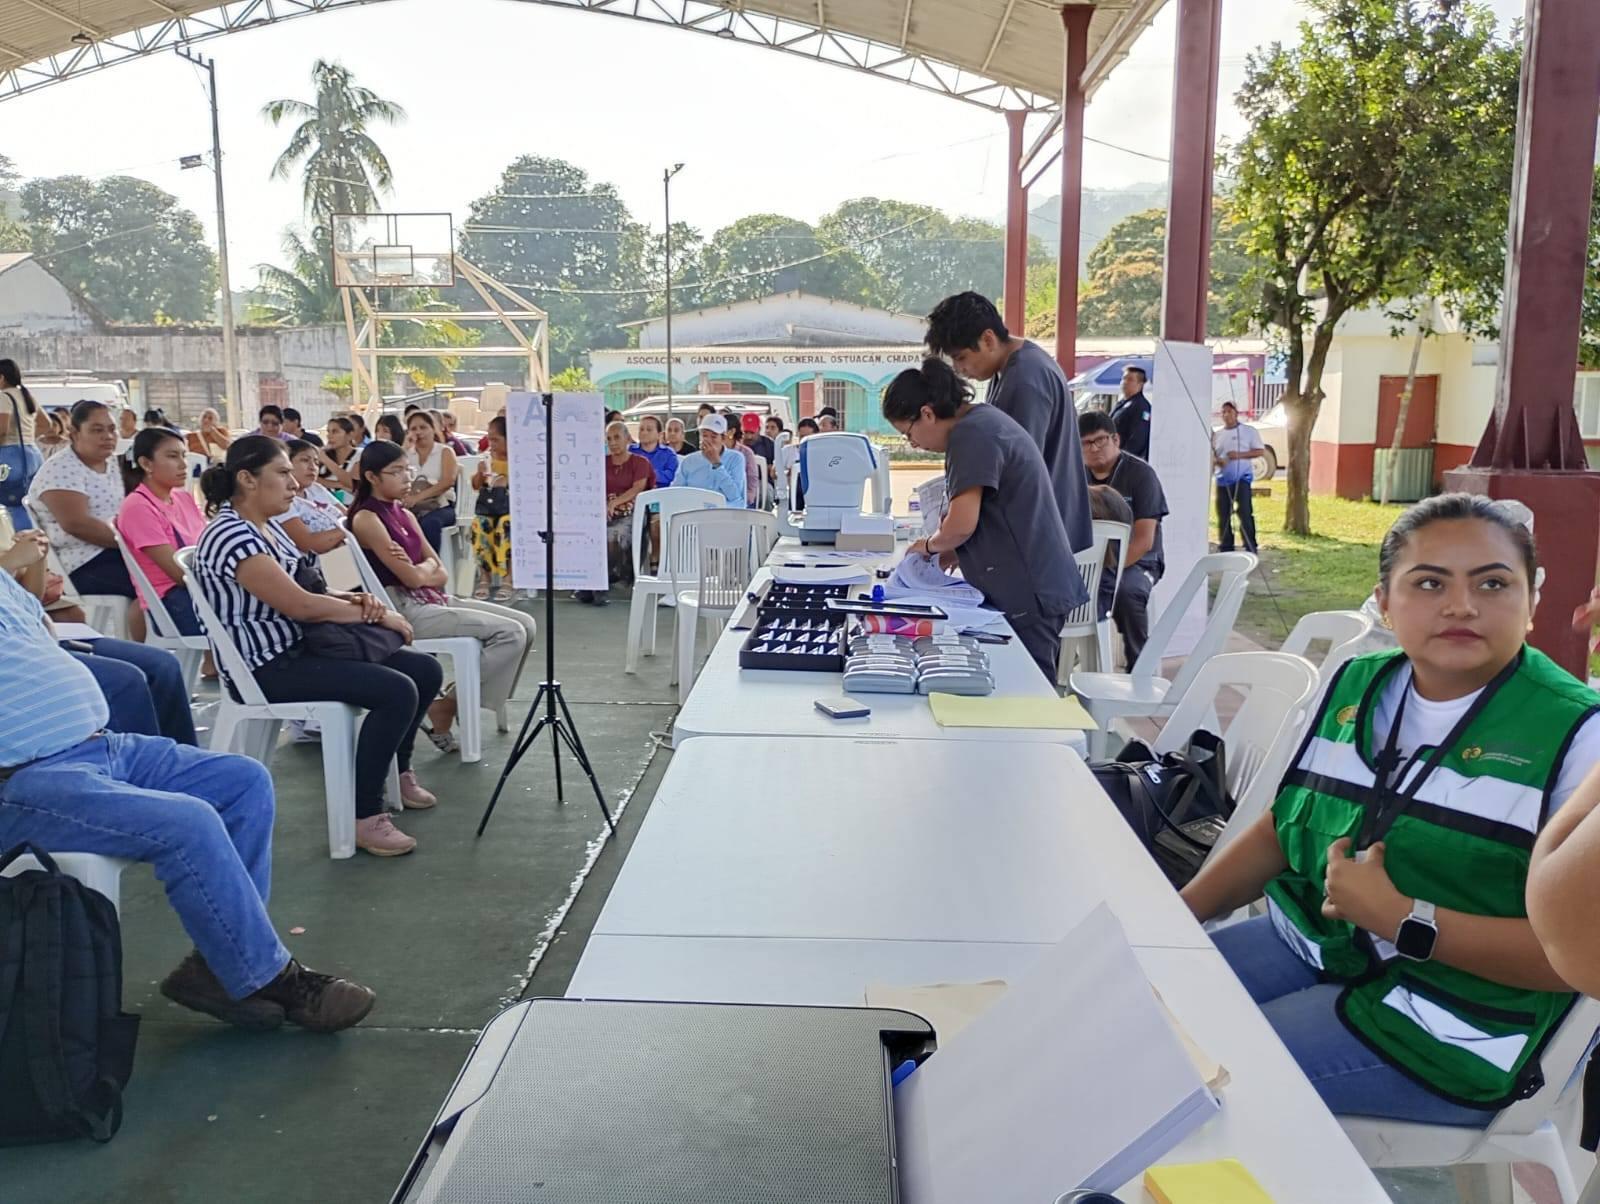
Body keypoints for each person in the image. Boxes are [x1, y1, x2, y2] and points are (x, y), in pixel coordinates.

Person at [1181, 494, 1600, 1124]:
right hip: (1315, 942)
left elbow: (1575, 957)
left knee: (1197, 1077)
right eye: (1430, 583)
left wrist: (1404, 920)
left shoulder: (1579, 736)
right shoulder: (1358, 682)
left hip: (1454, 1020)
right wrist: (1174, 919)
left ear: (1532, 602)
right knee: (1145, 1005)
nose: (1461, 606)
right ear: (1384, 601)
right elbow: (1284, 823)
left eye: (1492, 583)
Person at [0, 571, 378, 1032]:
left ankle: (221, 966)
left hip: (101, 745)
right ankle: (269, 975)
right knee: (188, 823)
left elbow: (44, 629)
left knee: (243, 781)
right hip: (24, 779)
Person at [193, 437, 440, 857]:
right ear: (247, 479)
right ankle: (365, 816)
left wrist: (356, 600)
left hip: (302, 646)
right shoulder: (232, 536)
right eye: (283, 473)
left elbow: (313, 588)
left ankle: (397, 770)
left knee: (425, 671)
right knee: (396, 690)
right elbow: (301, 606)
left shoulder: (266, 526)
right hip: (268, 665)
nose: (294, 483)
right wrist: (376, 616)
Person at [883, 358, 1084, 681]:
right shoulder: (981, 421)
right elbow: (992, 508)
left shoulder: (971, 435)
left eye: (909, 433)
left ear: (927, 414)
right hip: (1030, 580)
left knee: (1028, 690)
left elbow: (961, 525)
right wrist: (952, 550)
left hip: (1029, 588)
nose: (914, 444)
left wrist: (928, 546)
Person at [350, 439, 533, 752]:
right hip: (403, 609)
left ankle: (451, 702)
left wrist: (420, 570)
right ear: (371, 477)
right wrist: (423, 570)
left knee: (526, 625)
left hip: (431, 597)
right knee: (511, 634)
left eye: (407, 469)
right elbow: (411, 576)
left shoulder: (404, 514)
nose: (407, 477)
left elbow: (441, 571)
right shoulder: (367, 518)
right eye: (396, 471)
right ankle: (450, 705)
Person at [924, 291, 1093, 557]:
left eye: (961, 357)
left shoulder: (1024, 380)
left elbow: (1014, 472)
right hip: (1042, 532)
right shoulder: (1012, 367)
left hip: (1039, 539)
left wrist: (959, 535)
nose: (958, 369)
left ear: (988, 339)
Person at [3, 523, 196, 745]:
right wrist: (10, 563)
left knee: (162, 664)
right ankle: (133, 761)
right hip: (15, 653)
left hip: (38, 636)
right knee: (125, 680)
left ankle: (180, 757)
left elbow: (28, 602)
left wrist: (37, 560)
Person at [27, 399, 143, 640]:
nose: (107, 436)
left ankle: (154, 646)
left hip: (114, 553)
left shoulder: (111, 463)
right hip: (79, 564)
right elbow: (77, 524)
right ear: (74, 433)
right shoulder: (61, 470)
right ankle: (141, 651)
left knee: (166, 573)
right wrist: (134, 543)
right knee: (156, 583)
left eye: (111, 429)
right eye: (97, 430)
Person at [1078, 410, 1167, 666]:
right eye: (1086, 443)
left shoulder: (1141, 475)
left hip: (1138, 561)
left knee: (1127, 592)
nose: (1094, 448)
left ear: (1115, 439)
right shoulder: (1075, 474)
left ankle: (1139, 667)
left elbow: (1144, 540)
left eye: (1100, 440)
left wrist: (1110, 571)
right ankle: (1066, 660)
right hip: (1090, 560)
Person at [115, 427, 206, 637]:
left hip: (199, 590)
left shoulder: (183, 497)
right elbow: (179, 574)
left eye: (184, 455)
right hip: (174, 602)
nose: (183, 464)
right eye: (172, 456)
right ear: (146, 463)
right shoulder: (138, 507)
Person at [581, 421, 655, 607]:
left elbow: (638, 488)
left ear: (628, 438)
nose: (612, 442)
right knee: (588, 533)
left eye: (616, 437)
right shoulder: (601, 463)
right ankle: (591, 582)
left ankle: (600, 585)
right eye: (609, 439)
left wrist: (615, 502)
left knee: (613, 535)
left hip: (632, 511)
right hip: (602, 511)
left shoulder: (640, 462)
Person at [276, 438, 349, 557]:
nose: (313, 467)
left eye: (316, 462)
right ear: (286, 464)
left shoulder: (316, 488)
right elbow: (309, 544)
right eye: (305, 460)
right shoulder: (280, 499)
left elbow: (348, 515)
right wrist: (349, 529)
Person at [402, 409, 459, 553]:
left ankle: (432, 561)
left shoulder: (445, 452)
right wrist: (405, 446)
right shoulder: (407, 455)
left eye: (423, 427)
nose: (418, 432)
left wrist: (417, 498)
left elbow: (447, 481)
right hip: (413, 507)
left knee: (430, 524)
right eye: (413, 429)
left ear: (433, 429)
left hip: (442, 505)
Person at [470, 416, 513, 602]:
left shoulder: (518, 461)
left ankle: (508, 579)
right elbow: (475, 486)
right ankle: (484, 578)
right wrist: (480, 474)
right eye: (490, 439)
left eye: (496, 439)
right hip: (489, 509)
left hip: (512, 510)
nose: (492, 444)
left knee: (506, 524)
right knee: (479, 524)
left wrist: (506, 481)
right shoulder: (488, 459)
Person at [1213, 401, 1263, 553]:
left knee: (1245, 512)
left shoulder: (1248, 431)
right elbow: (1214, 454)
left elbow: (1259, 451)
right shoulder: (1218, 435)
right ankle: (1226, 546)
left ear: (1236, 413)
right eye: (1224, 412)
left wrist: (1239, 455)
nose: (1227, 415)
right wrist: (1218, 461)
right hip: (1223, 480)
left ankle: (1250, 545)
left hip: (1242, 478)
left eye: (1229, 411)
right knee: (1223, 514)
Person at [629, 416, 677, 573]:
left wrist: (648, 474)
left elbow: (670, 476)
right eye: (641, 429)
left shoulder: (668, 454)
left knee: (657, 524)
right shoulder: (630, 452)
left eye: (649, 429)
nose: (644, 432)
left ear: (659, 434)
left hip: (658, 499)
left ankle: (655, 562)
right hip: (633, 498)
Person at [674, 414, 745, 507]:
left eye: (713, 436)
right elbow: (676, 491)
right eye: (704, 436)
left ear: (723, 438)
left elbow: (735, 496)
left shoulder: (736, 458)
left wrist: (716, 464)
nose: (708, 440)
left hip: (724, 511)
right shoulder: (689, 461)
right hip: (695, 511)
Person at [1109, 365, 1152, 461]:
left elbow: (1138, 438)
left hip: (1125, 460)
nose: (1125, 382)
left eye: (1130, 380)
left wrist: (1121, 459)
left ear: (1140, 384)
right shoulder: (1121, 403)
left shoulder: (1141, 406)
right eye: (1124, 378)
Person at [317, 415, 360, 496]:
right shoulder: (323, 454)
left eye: (335, 432)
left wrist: (326, 460)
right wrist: (338, 484)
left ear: (350, 435)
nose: (329, 436)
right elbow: (310, 479)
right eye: (328, 432)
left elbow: (353, 484)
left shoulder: (360, 455)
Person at [0, 357, 37, 446]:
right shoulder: (27, 396)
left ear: (1, 377)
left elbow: (2, 431)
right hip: (31, 449)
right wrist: (27, 439)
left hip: (10, 449)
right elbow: (46, 423)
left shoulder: (4, 397)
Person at [725, 422, 760, 507]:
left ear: (731, 432)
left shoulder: (746, 453)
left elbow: (752, 478)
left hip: (741, 499)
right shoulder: (712, 452)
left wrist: (747, 499)